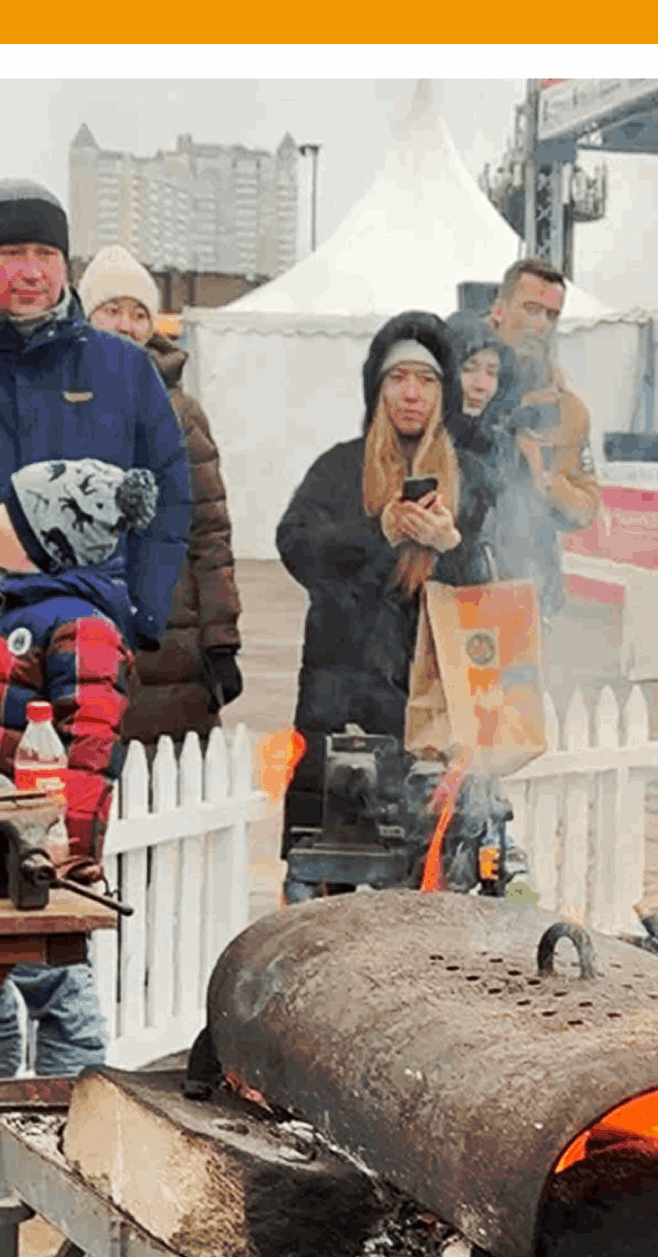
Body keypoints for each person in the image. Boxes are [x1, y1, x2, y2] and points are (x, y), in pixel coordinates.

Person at [0, 457, 154, 1079]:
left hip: (37, 855)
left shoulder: (81, 625)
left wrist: (65, 853)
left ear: (47, 539)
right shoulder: (7, 607)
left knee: (57, 991)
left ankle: (76, 1099)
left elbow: (90, 748)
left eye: (10, 511)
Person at [272, 311, 494, 875]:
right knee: (329, 872)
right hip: (340, 702)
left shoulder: (473, 477)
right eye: (398, 378)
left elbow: (495, 598)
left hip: (434, 710)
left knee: (429, 870)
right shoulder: (339, 468)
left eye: (426, 380)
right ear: (377, 388)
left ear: (444, 392)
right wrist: (380, 533)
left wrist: (450, 545)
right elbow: (297, 548)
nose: (411, 394)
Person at [0, 179, 189, 657]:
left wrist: (138, 614)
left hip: (85, 640)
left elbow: (167, 499)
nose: (32, 272)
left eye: (47, 254)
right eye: (11, 253)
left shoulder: (124, 368)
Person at [77, 244, 244, 746]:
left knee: (170, 778)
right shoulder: (58, 399)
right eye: (112, 309)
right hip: (81, 627)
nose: (126, 325)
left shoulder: (183, 415)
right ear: (86, 316)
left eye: (139, 314)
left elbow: (210, 534)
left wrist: (220, 640)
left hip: (172, 643)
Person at [485, 257, 600, 612]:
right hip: (456, 587)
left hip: (532, 590)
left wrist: (545, 480)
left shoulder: (567, 410)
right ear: (499, 310)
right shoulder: (454, 386)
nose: (540, 324)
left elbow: (586, 507)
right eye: (531, 309)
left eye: (551, 315)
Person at [443, 309, 554, 605]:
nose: (481, 384)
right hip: (437, 608)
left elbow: (535, 529)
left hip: (500, 605)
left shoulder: (504, 449)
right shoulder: (418, 446)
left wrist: (546, 586)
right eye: (469, 368)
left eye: (491, 372)